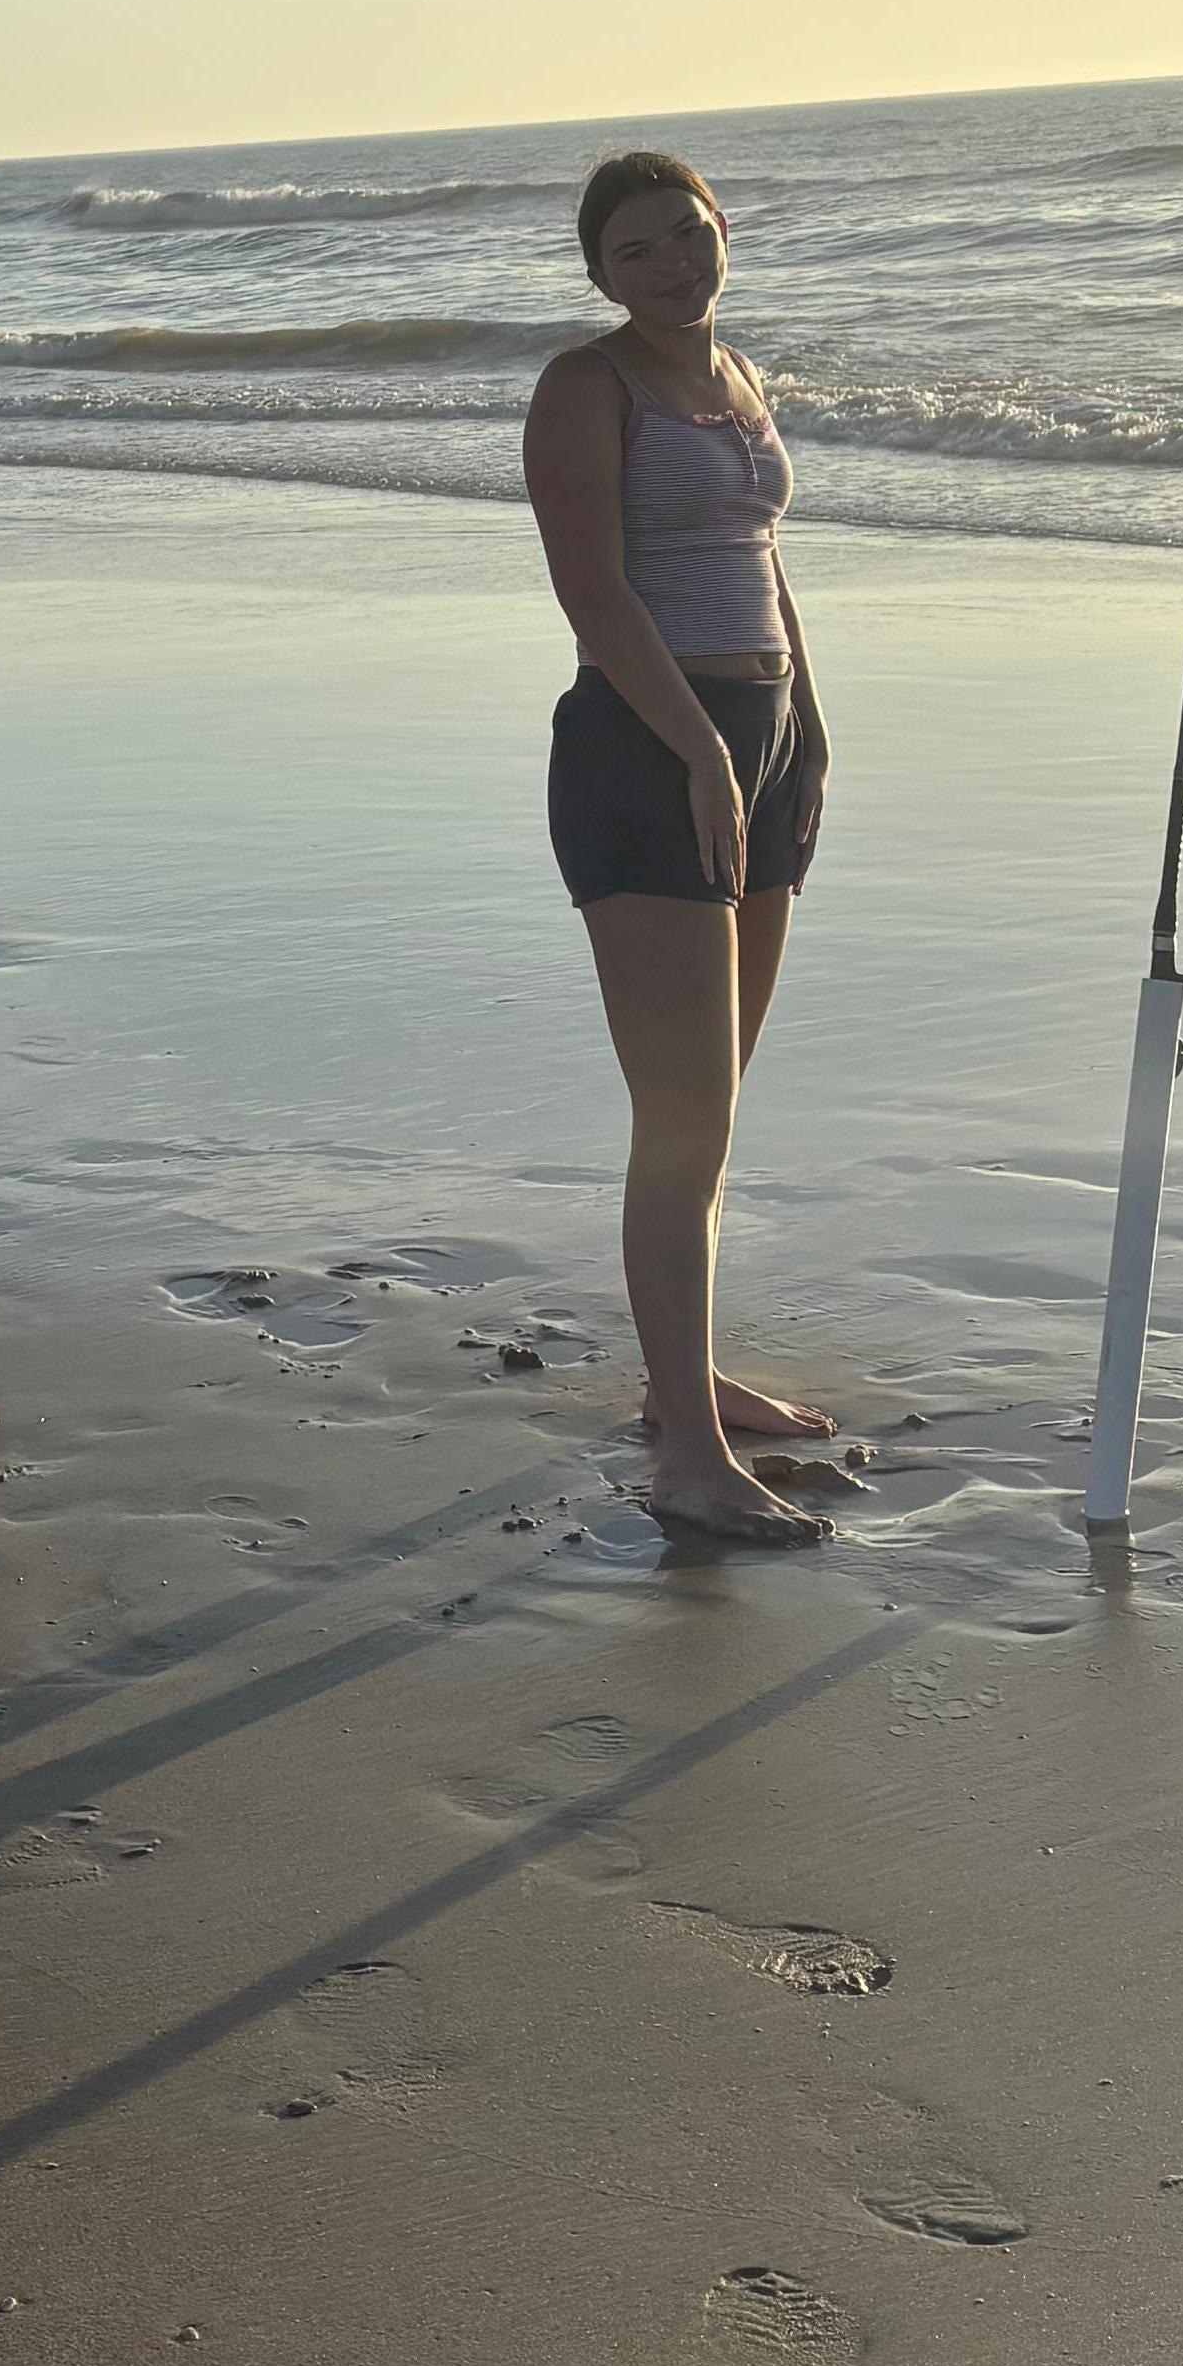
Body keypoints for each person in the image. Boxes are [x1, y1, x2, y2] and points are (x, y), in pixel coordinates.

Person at [519, 147, 833, 1548]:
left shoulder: (739, 376)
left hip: (759, 741)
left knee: (717, 1110)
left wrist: (802, 735)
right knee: (679, 1118)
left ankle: (682, 1381)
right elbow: (593, 594)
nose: (674, 266)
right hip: (649, 752)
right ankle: (688, 1458)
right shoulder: (586, 389)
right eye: (641, 249)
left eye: (692, 236)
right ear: (600, 271)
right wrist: (705, 753)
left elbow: (763, 562)